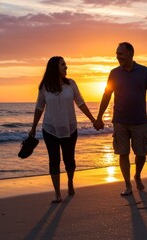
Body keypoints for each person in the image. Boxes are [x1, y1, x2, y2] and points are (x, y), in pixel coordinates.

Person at [94, 42, 147, 196]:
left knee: (141, 153)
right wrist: (99, 117)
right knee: (123, 153)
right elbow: (106, 96)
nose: (117, 56)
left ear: (130, 54)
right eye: (117, 53)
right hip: (119, 121)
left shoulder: (144, 71)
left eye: (120, 53)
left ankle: (137, 175)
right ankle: (127, 185)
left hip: (139, 120)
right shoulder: (114, 73)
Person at [29, 56, 96, 203]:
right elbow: (39, 107)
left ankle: (70, 182)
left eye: (66, 65)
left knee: (69, 160)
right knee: (54, 160)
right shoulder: (45, 86)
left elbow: (81, 103)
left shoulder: (71, 84)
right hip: (50, 129)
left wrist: (93, 120)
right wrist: (33, 127)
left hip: (69, 128)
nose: (66, 67)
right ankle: (57, 193)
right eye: (63, 65)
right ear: (55, 68)